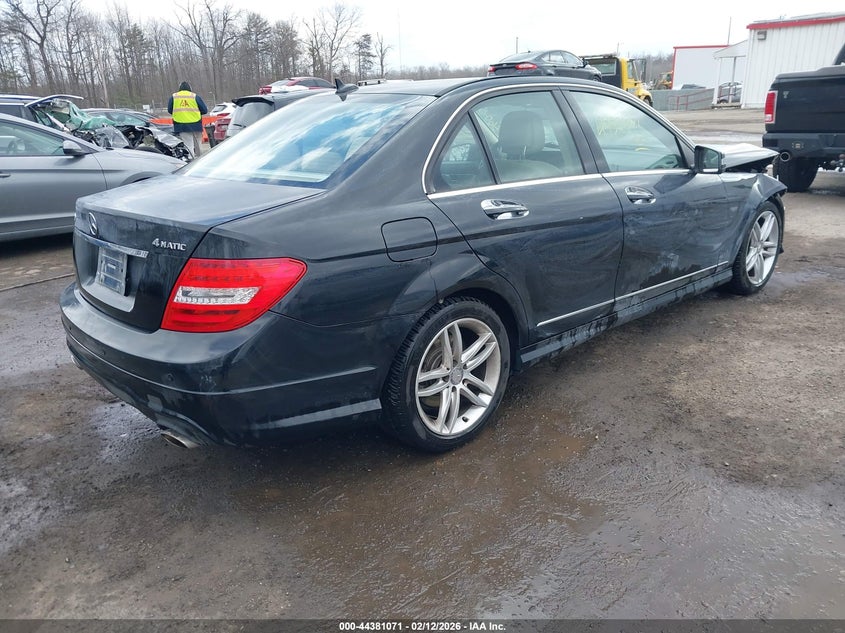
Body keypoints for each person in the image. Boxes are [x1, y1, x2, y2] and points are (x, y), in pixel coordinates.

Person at [167, 81, 208, 158]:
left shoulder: (174, 97)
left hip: (182, 125)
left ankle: (192, 160)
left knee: (189, 146)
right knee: (198, 146)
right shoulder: (195, 96)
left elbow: (170, 110)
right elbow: (204, 110)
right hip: (196, 124)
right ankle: (201, 159)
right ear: (190, 88)